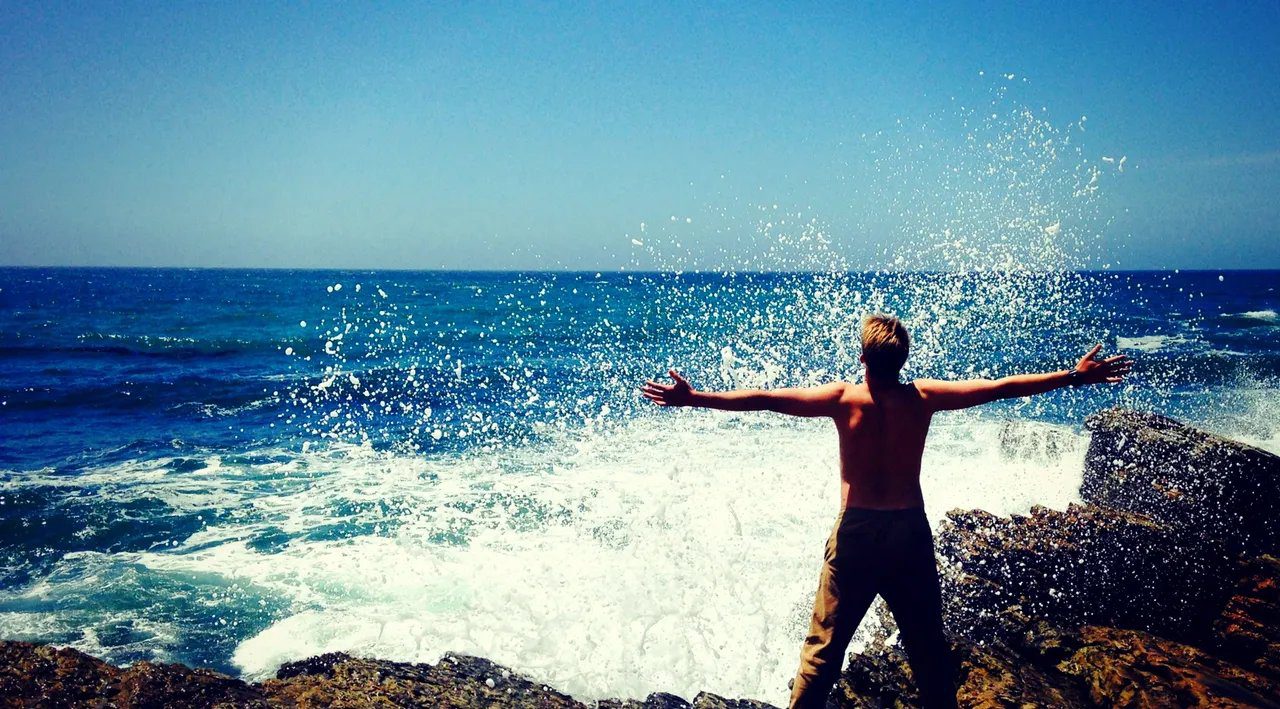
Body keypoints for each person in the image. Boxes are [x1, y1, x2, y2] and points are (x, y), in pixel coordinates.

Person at [641, 314, 1132, 709]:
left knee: (824, 652)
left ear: (862, 357)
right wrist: (1073, 376)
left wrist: (693, 399)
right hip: (907, 533)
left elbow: (765, 400)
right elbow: (1000, 387)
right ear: (903, 359)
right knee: (926, 650)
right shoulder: (923, 399)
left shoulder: (842, 399)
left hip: (857, 532)